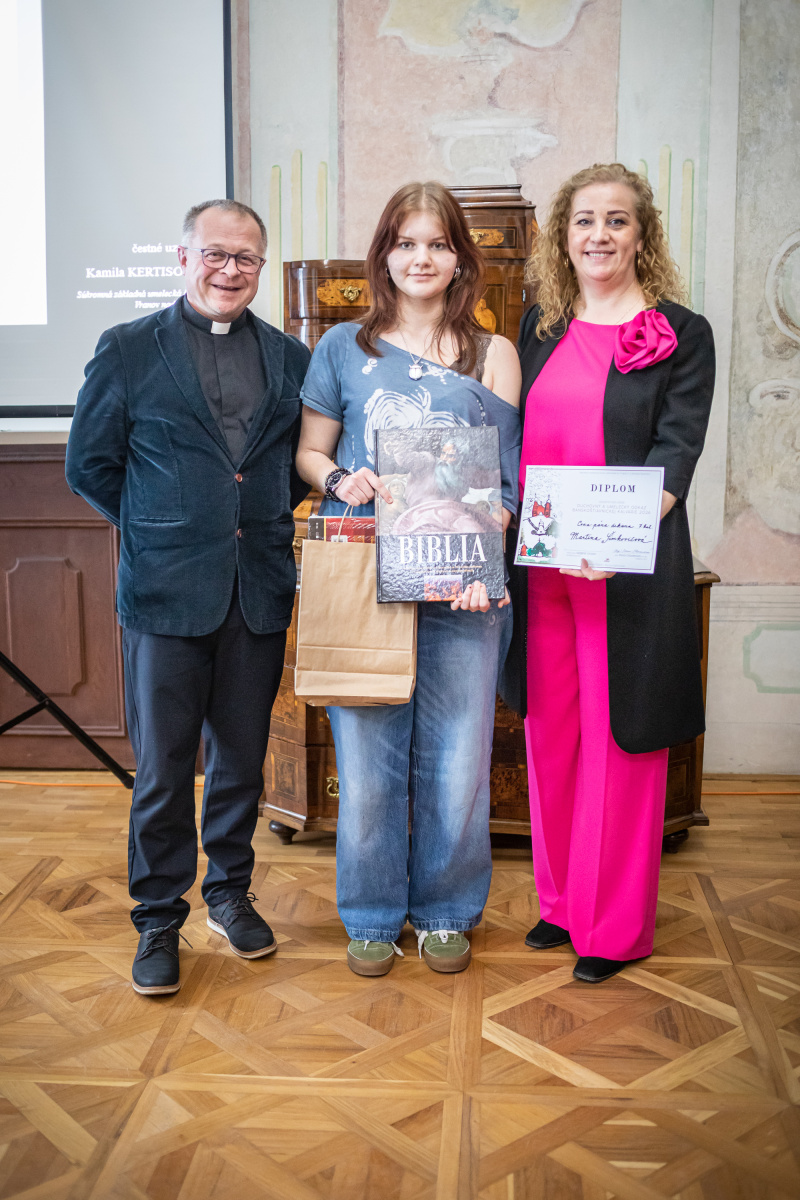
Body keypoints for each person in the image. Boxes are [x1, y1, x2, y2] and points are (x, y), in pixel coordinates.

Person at [66, 199, 311, 995]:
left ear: (261, 267)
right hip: (165, 592)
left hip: (257, 589)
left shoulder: (290, 357)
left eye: (245, 258)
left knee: (241, 760)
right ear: (184, 258)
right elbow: (89, 465)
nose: (229, 270)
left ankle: (229, 893)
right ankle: (157, 918)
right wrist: (160, 526)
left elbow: (288, 468)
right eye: (215, 254)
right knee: (165, 768)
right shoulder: (128, 348)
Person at [296, 181, 521, 976]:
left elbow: (504, 481)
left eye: (437, 243)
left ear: (459, 257)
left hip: (465, 587)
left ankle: (447, 910)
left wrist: (488, 544)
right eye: (405, 242)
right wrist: (339, 479)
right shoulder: (341, 348)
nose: (420, 258)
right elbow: (310, 452)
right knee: (366, 765)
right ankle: (369, 913)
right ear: (384, 254)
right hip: (367, 577)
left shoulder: (495, 354)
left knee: (458, 763)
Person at [501, 163, 715, 984]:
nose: (599, 235)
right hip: (545, 571)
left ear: (642, 234)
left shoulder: (682, 333)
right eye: (584, 220)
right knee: (553, 735)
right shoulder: (540, 325)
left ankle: (615, 928)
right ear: (564, 236)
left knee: (622, 745)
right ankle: (561, 903)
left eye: (617, 220)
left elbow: (675, 454)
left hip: (625, 572)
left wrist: (613, 538)